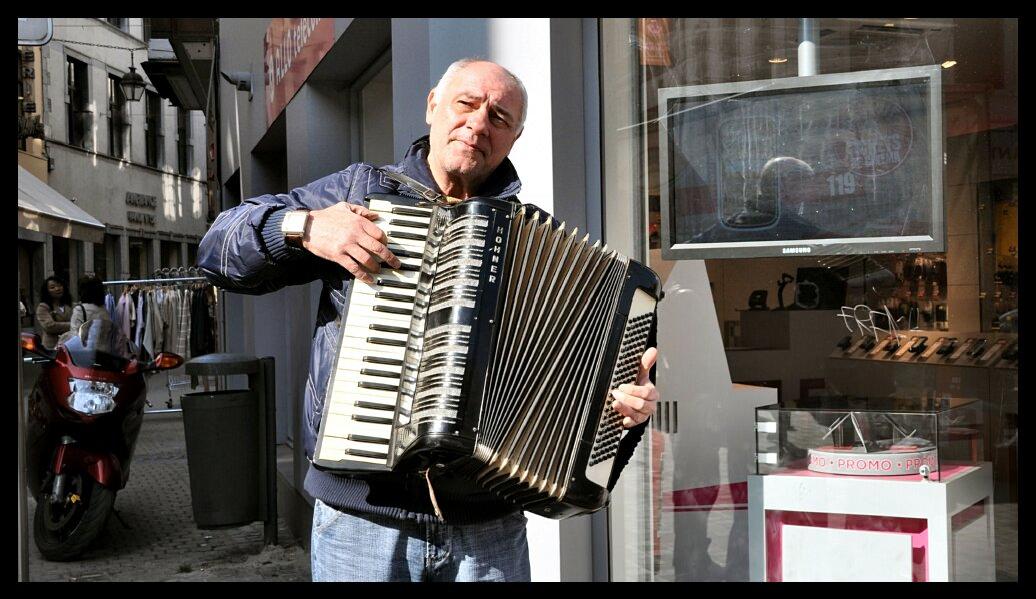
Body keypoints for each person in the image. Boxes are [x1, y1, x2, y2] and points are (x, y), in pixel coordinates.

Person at [197, 58, 660, 582]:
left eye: (500, 118)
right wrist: (303, 226)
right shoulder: (358, 193)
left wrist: (621, 412)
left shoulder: (540, 247)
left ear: (514, 138)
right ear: (432, 106)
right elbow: (218, 249)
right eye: (466, 103)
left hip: (489, 529)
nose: (479, 123)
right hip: (363, 522)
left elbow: (580, 395)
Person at [35, 276, 73, 349]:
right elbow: (49, 326)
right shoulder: (43, 307)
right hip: (52, 348)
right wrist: (74, 325)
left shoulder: (72, 305)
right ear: (47, 291)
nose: (57, 289)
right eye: (52, 287)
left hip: (70, 346)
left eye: (60, 286)